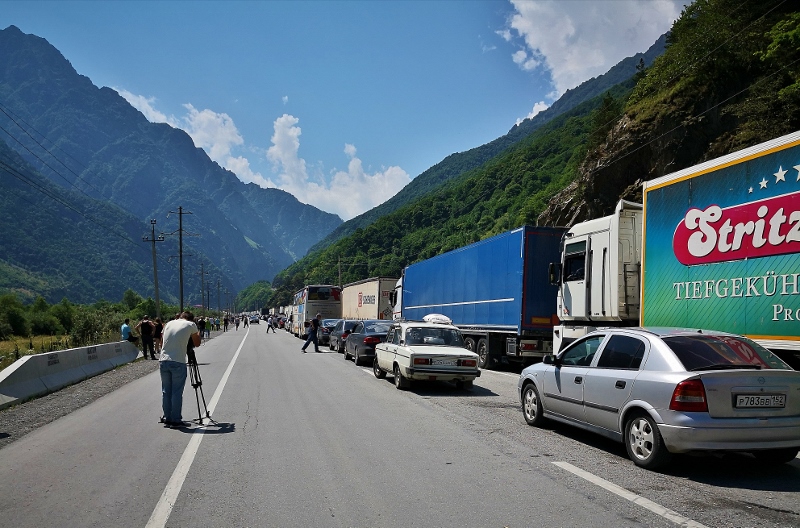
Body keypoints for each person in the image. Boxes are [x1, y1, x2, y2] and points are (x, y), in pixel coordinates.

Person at [159, 311, 201, 428]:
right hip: (177, 361)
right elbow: (197, 343)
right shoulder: (190, 325)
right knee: (176, 392)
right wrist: (198, 332)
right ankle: (176, 419)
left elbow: (162, 342)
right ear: (191, 319)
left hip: (163, 360)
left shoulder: (168, 323)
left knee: (166, 391)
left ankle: (167, 417)